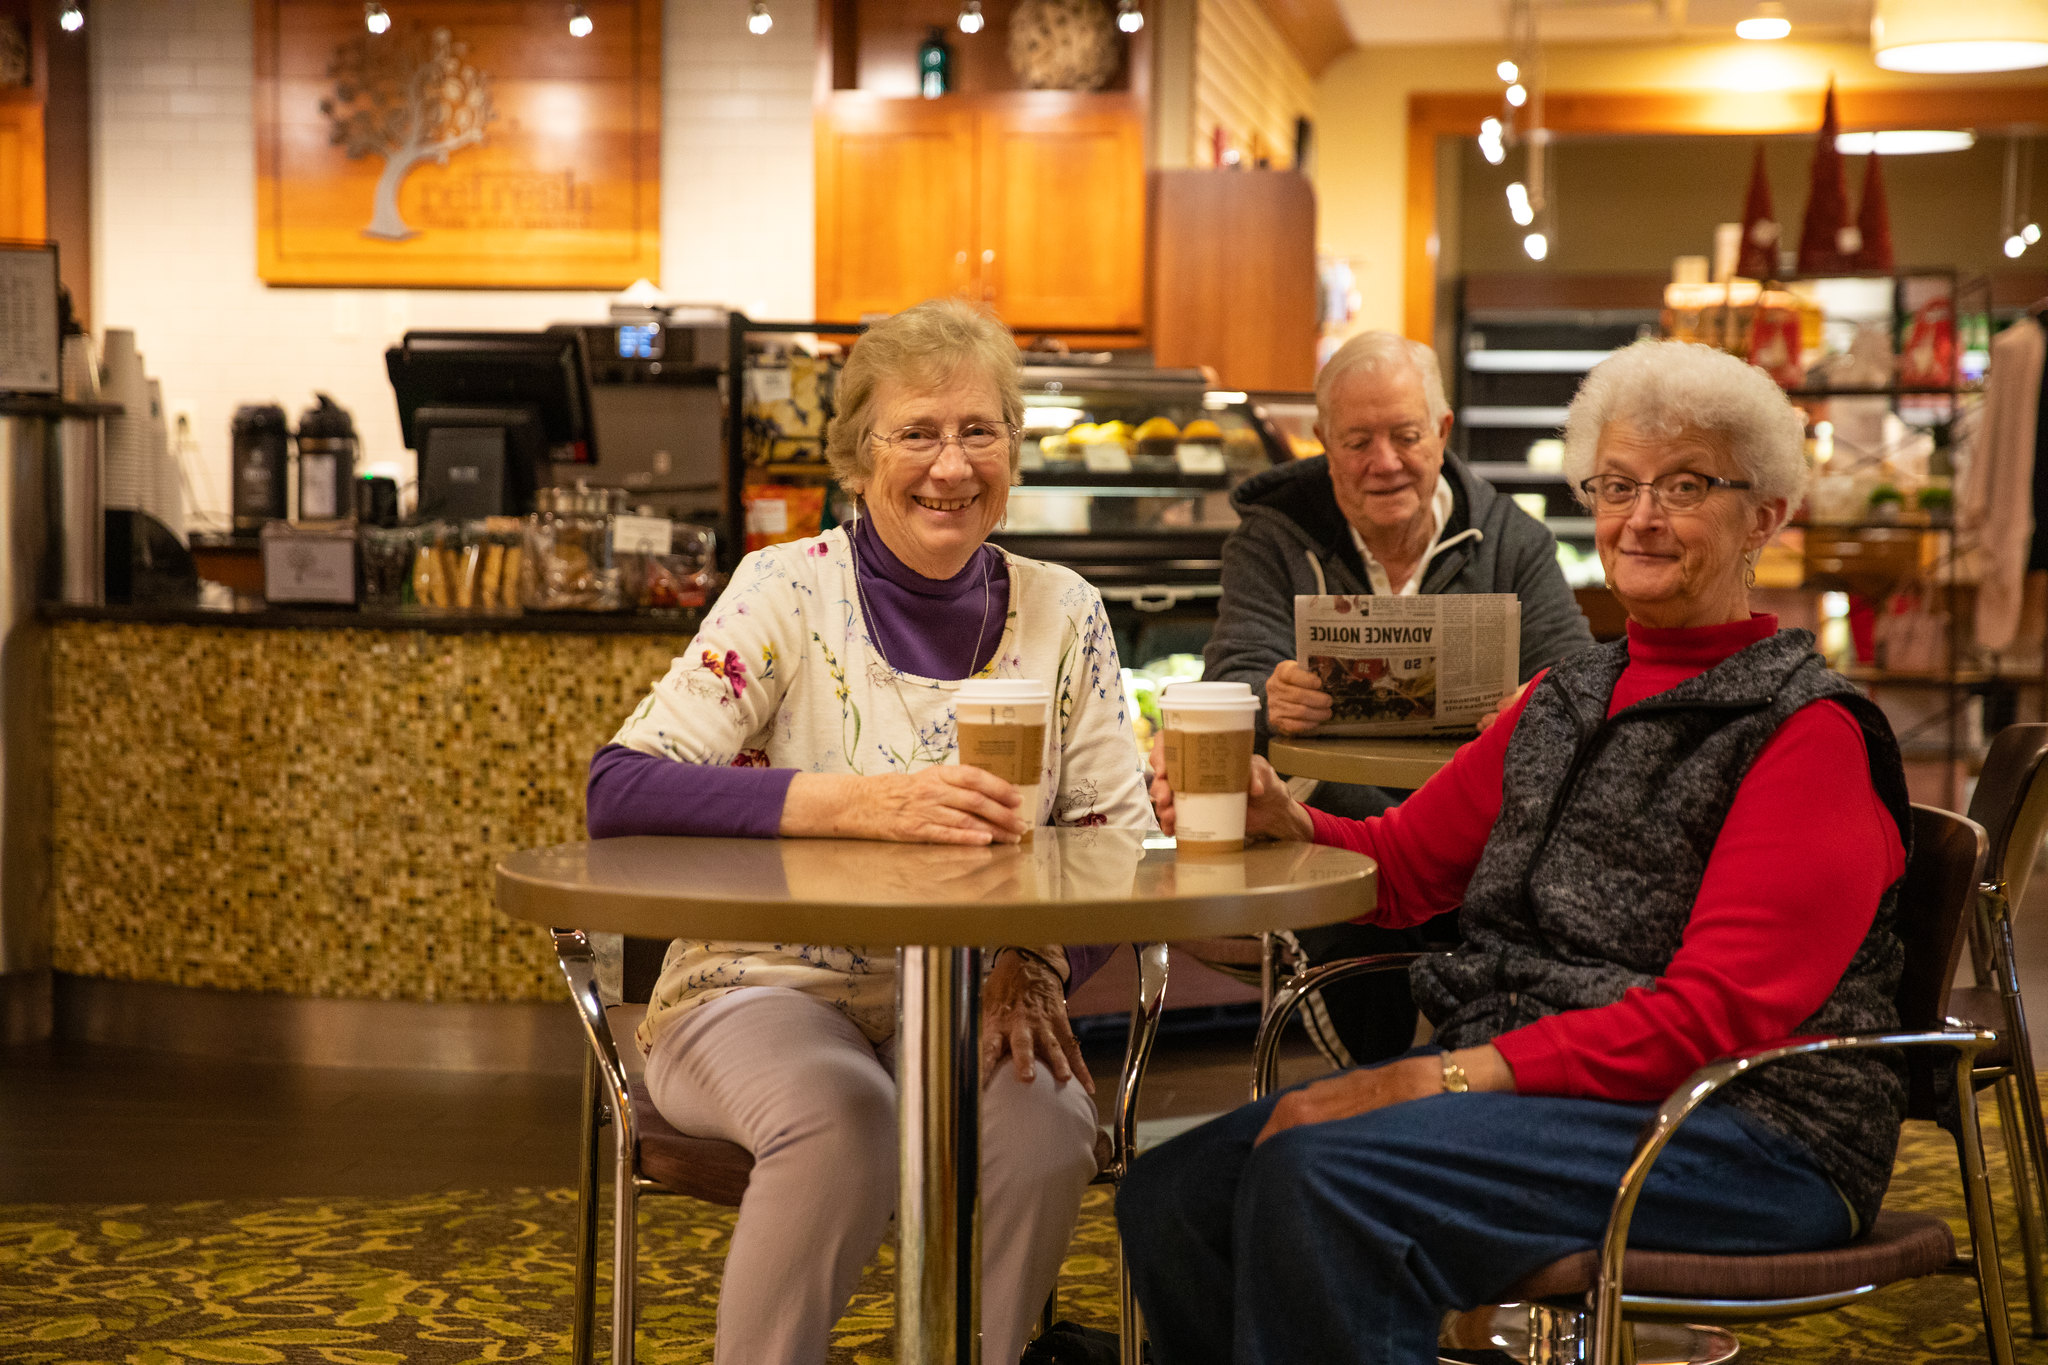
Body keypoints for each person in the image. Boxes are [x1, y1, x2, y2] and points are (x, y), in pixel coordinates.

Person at [1120, 337, 1910, 1365]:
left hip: (1746, 1127)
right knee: (1175, 1190)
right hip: (1554, 1092)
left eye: (1683, 486)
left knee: (1322, 1180)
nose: (1640, 517)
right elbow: (1403, 866)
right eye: (1616, 485)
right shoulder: (1564, 697)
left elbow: (1707, 1015)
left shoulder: (1806, 732)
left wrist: (1441, 1078)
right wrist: (1290, 821)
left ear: (1764, 514)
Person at [586, 298, 1151, 1365]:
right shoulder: (785, 589)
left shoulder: (1064, 610)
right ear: (857, 456)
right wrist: (856, 804)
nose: (952, 465)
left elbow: (1115, 839)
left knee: (1047, 1128)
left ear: (1013, 449)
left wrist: (1036, 964)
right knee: (841, 1119)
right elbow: (619, 790)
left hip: (978, 997)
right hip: (759, 988)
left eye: (979, 430)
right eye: (917, 433)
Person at [1201, 331, 1594, 1067]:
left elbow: (1577, 681)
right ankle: (1392, 1061)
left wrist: (1530, 698)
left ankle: (1463, 1056)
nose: (1384, 462)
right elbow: (1231, 676)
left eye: (1406, 436)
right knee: (1350, 827)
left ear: (1442, 432)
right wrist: (1267, 694)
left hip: (1471, 817)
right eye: (1358, 442)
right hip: (1332, 807)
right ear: (1323, 444)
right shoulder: (1272, 536)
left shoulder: (1512, 539)